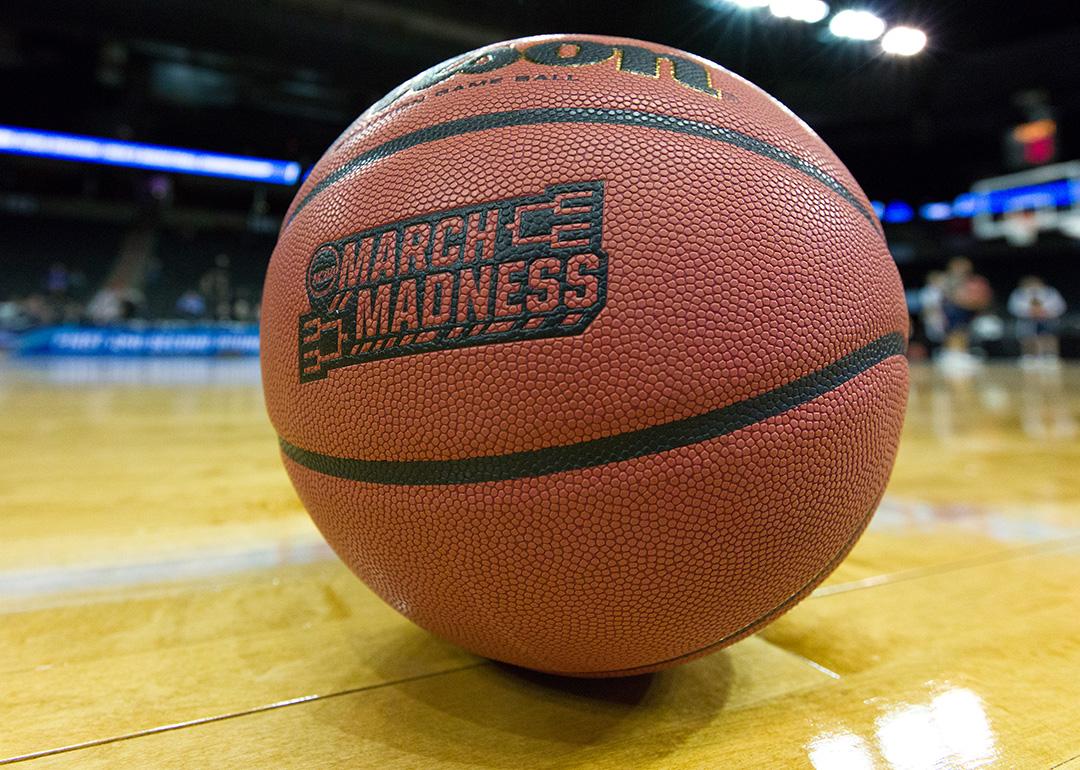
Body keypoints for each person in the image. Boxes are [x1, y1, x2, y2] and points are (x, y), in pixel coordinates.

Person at [938, 257, 992, 372]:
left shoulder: (969, 281)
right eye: (961, 266)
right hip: (953, 309)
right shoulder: (949, 280)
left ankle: (961, 355)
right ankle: (953, 356)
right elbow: (953, 297)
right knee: (955, 333)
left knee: (963, 332)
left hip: (965, 309)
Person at [1008, 276, 1066, 368]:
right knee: (1027, 338)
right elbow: (1014, 307)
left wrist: (1045, 311)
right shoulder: (1018, 294)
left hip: (1048, 319)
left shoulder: (1051, 293)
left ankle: (1050, 356)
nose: (1033, 287)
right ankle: (1029, 357)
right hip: (1027, 320)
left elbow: (1060, 306)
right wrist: (1029, 312)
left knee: (1049, 337)